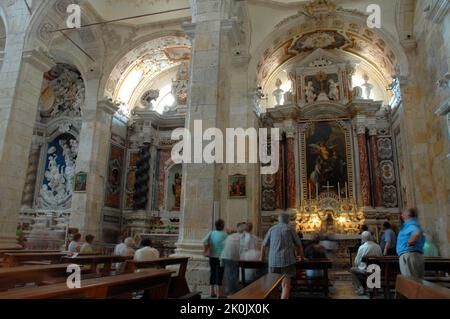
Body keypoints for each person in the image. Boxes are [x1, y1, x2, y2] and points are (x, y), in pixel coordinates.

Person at [261, 213, 304, 299]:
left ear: (278, 220)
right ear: (288, 220)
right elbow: (299, 245)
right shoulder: (290, 229)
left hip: (273, 261)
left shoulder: (272, 229)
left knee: (273, 287)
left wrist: (261, 258)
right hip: (287, 261)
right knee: (286, 286)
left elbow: (263, 245)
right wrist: (301, 257)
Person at [397, 208, 425, 279]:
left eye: (403, 213)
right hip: (414, 255)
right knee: (417, 282)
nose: (401, 215)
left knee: (410, 282)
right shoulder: (413, 224)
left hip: (409, 255)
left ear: (407, 215)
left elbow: (416, 232)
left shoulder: (411, 224)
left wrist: (410, 241)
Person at [202, 219, 228, 298]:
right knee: (220, 273)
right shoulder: (225, 234)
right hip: (221, 257)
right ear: (222, 226)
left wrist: (205, 249)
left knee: (212, 272)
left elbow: (204, 241)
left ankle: (211, 291)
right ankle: (219, 293)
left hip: (212, 256)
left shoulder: (211, 233)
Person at [221, 223, 246, 296]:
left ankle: (229, 293)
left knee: (228, 275)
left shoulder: (231, 236)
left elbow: (223, 244)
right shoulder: (242, 237)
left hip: (226, 257)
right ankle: (233, 293)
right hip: (233, 258)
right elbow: (243, 248)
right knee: (234, 276)